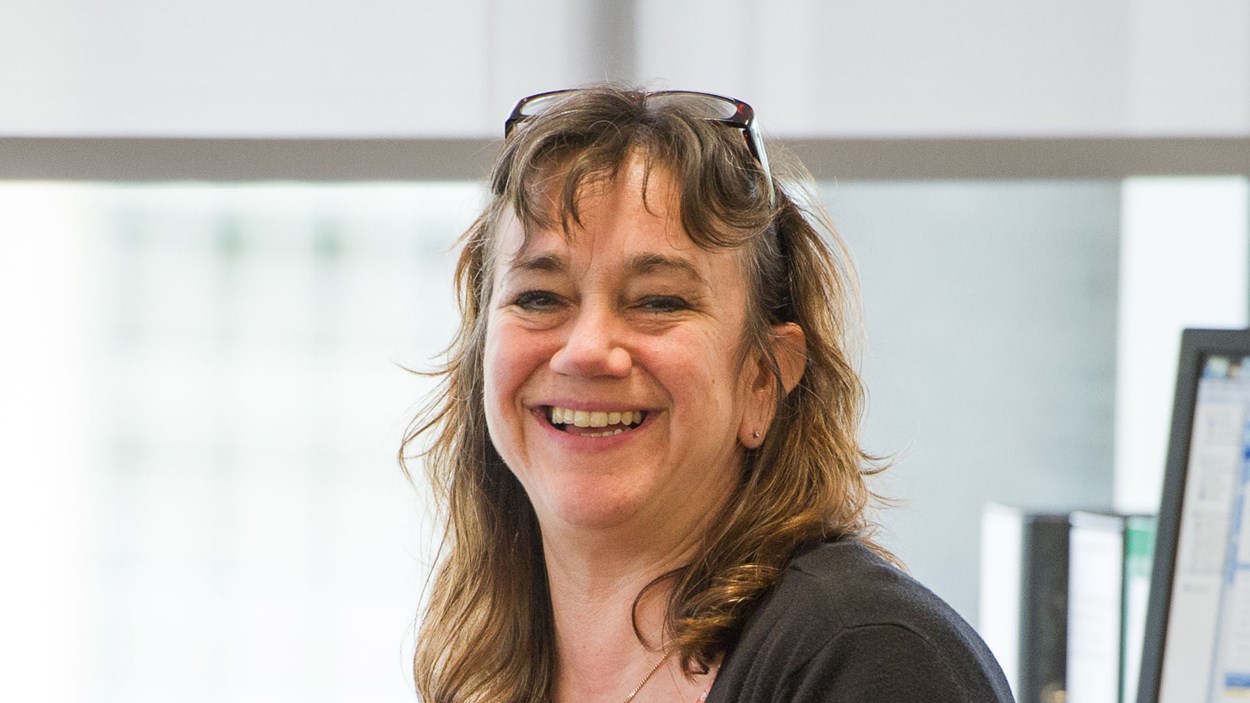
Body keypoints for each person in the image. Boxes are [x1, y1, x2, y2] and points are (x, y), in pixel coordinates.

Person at [401, 85, 1014, 703]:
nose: (586, 350)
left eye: (659, 302)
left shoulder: (871, 658)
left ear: (763, 379)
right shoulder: (483, 668)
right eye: (539, 298)